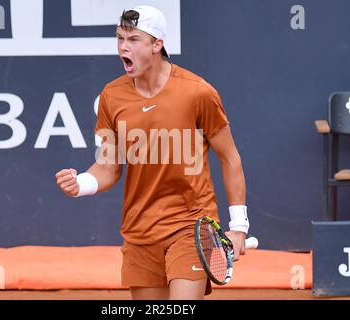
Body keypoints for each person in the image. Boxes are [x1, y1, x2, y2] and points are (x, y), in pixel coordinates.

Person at [55, 5, 250, 300]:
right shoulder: (112, 96)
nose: (123, 46)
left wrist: (238, 226)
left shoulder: (198, 92)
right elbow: (108, 167)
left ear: (157, 45)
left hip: (191, 226)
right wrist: (80, 183)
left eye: (133, 39)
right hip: (140, 232)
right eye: (120, 38)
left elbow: (229, 157)